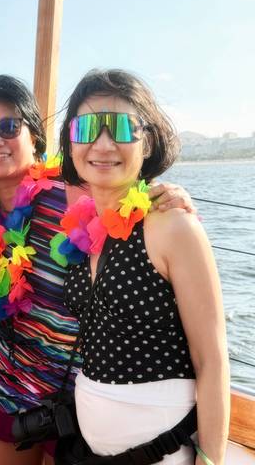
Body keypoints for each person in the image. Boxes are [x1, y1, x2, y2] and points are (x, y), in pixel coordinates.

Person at [0, 74, 197, 465]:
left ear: (34, 136)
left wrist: (165, 196)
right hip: (8, 385)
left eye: (8, 127)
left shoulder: (73, 192)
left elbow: (126, 200)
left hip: (77, 397)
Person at [57, 69, 229, 464]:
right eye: (85, 128)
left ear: (147, 141)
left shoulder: (171, 224)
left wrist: (212, 459)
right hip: (92, 449)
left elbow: (213, 359)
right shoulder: (88, 233)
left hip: (163, 447)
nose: (102, 143)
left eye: (119, 126)